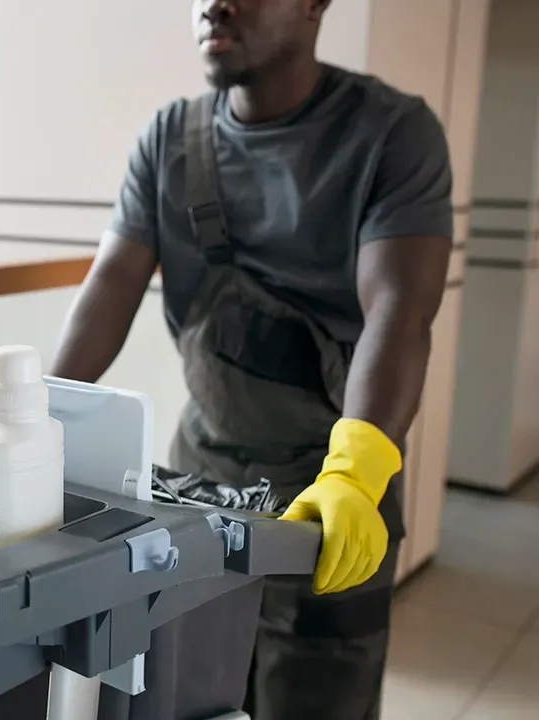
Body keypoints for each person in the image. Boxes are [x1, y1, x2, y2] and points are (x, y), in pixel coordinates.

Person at [50, 0, 452, 718]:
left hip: (328, 500)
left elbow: (399, 310)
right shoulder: (170, 140)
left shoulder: (390, 135)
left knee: (315, 697)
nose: (212, 3)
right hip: (200, 489)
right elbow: (110, 286)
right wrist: (40, 421)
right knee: (189, 694)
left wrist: (357, 472)